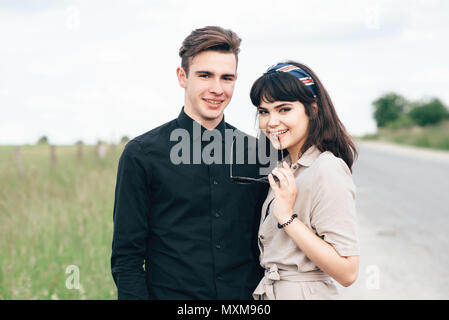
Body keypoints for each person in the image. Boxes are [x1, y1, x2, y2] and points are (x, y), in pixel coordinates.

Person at [111, 26, 268, 299]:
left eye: (226, 78)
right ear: (182, 76)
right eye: (205, 75)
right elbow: (127, 258)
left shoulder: (257, 154)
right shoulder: (141, 154)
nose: (217, 89)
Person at [249, 61, 360, 300]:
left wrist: (287, 218)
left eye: (284, 109)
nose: (271, 122)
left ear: (313, 109)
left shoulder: (327, 168)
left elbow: (348, 271)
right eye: (264, 111)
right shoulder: (286, 167)